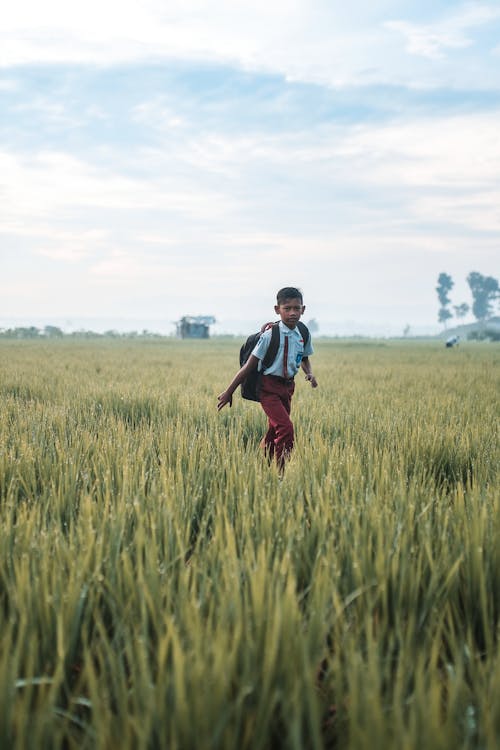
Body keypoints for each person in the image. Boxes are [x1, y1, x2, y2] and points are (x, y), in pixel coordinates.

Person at [217, 287, 318, 471]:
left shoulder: (303, 333)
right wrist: (228, 392)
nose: (292, 313)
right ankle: (280, 471)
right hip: (269, 388)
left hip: (288, 388)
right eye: (287, 308)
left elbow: (303, 357)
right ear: (277, 309)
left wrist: (309, 372)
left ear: (303, 309)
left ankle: (263, 465)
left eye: (297, 308)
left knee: (274, 430)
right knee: (286, 428)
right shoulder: (270, 335)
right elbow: (248, 366)